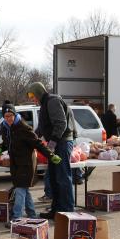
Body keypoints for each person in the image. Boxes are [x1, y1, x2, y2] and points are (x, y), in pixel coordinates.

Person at [0, 101, 61, 226]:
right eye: (6, 116)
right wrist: (1, 147)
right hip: (15, 163)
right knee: (24, 189)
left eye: (10, 116)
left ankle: (16, 218)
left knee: (20, 189)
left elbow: (38, 143)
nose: (8, 118)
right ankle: (32, 215)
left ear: (15, 115)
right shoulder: (5, 127)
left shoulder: (23, 127)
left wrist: (51, 155)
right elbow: (7, 142)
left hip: (26, 163)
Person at [26, 82, 76, 219]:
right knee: (53, 178)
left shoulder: (52, 101)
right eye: (30, 96)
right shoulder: (44, 104)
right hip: (56, 144)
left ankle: (67, 212)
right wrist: (32, 139)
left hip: (62, 143)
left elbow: (61, 123)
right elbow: (42, 127)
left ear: (38, 92)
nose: (31, 99)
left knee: (63, 177)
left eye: (32, 95)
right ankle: (56, 210)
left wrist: (52, 143)